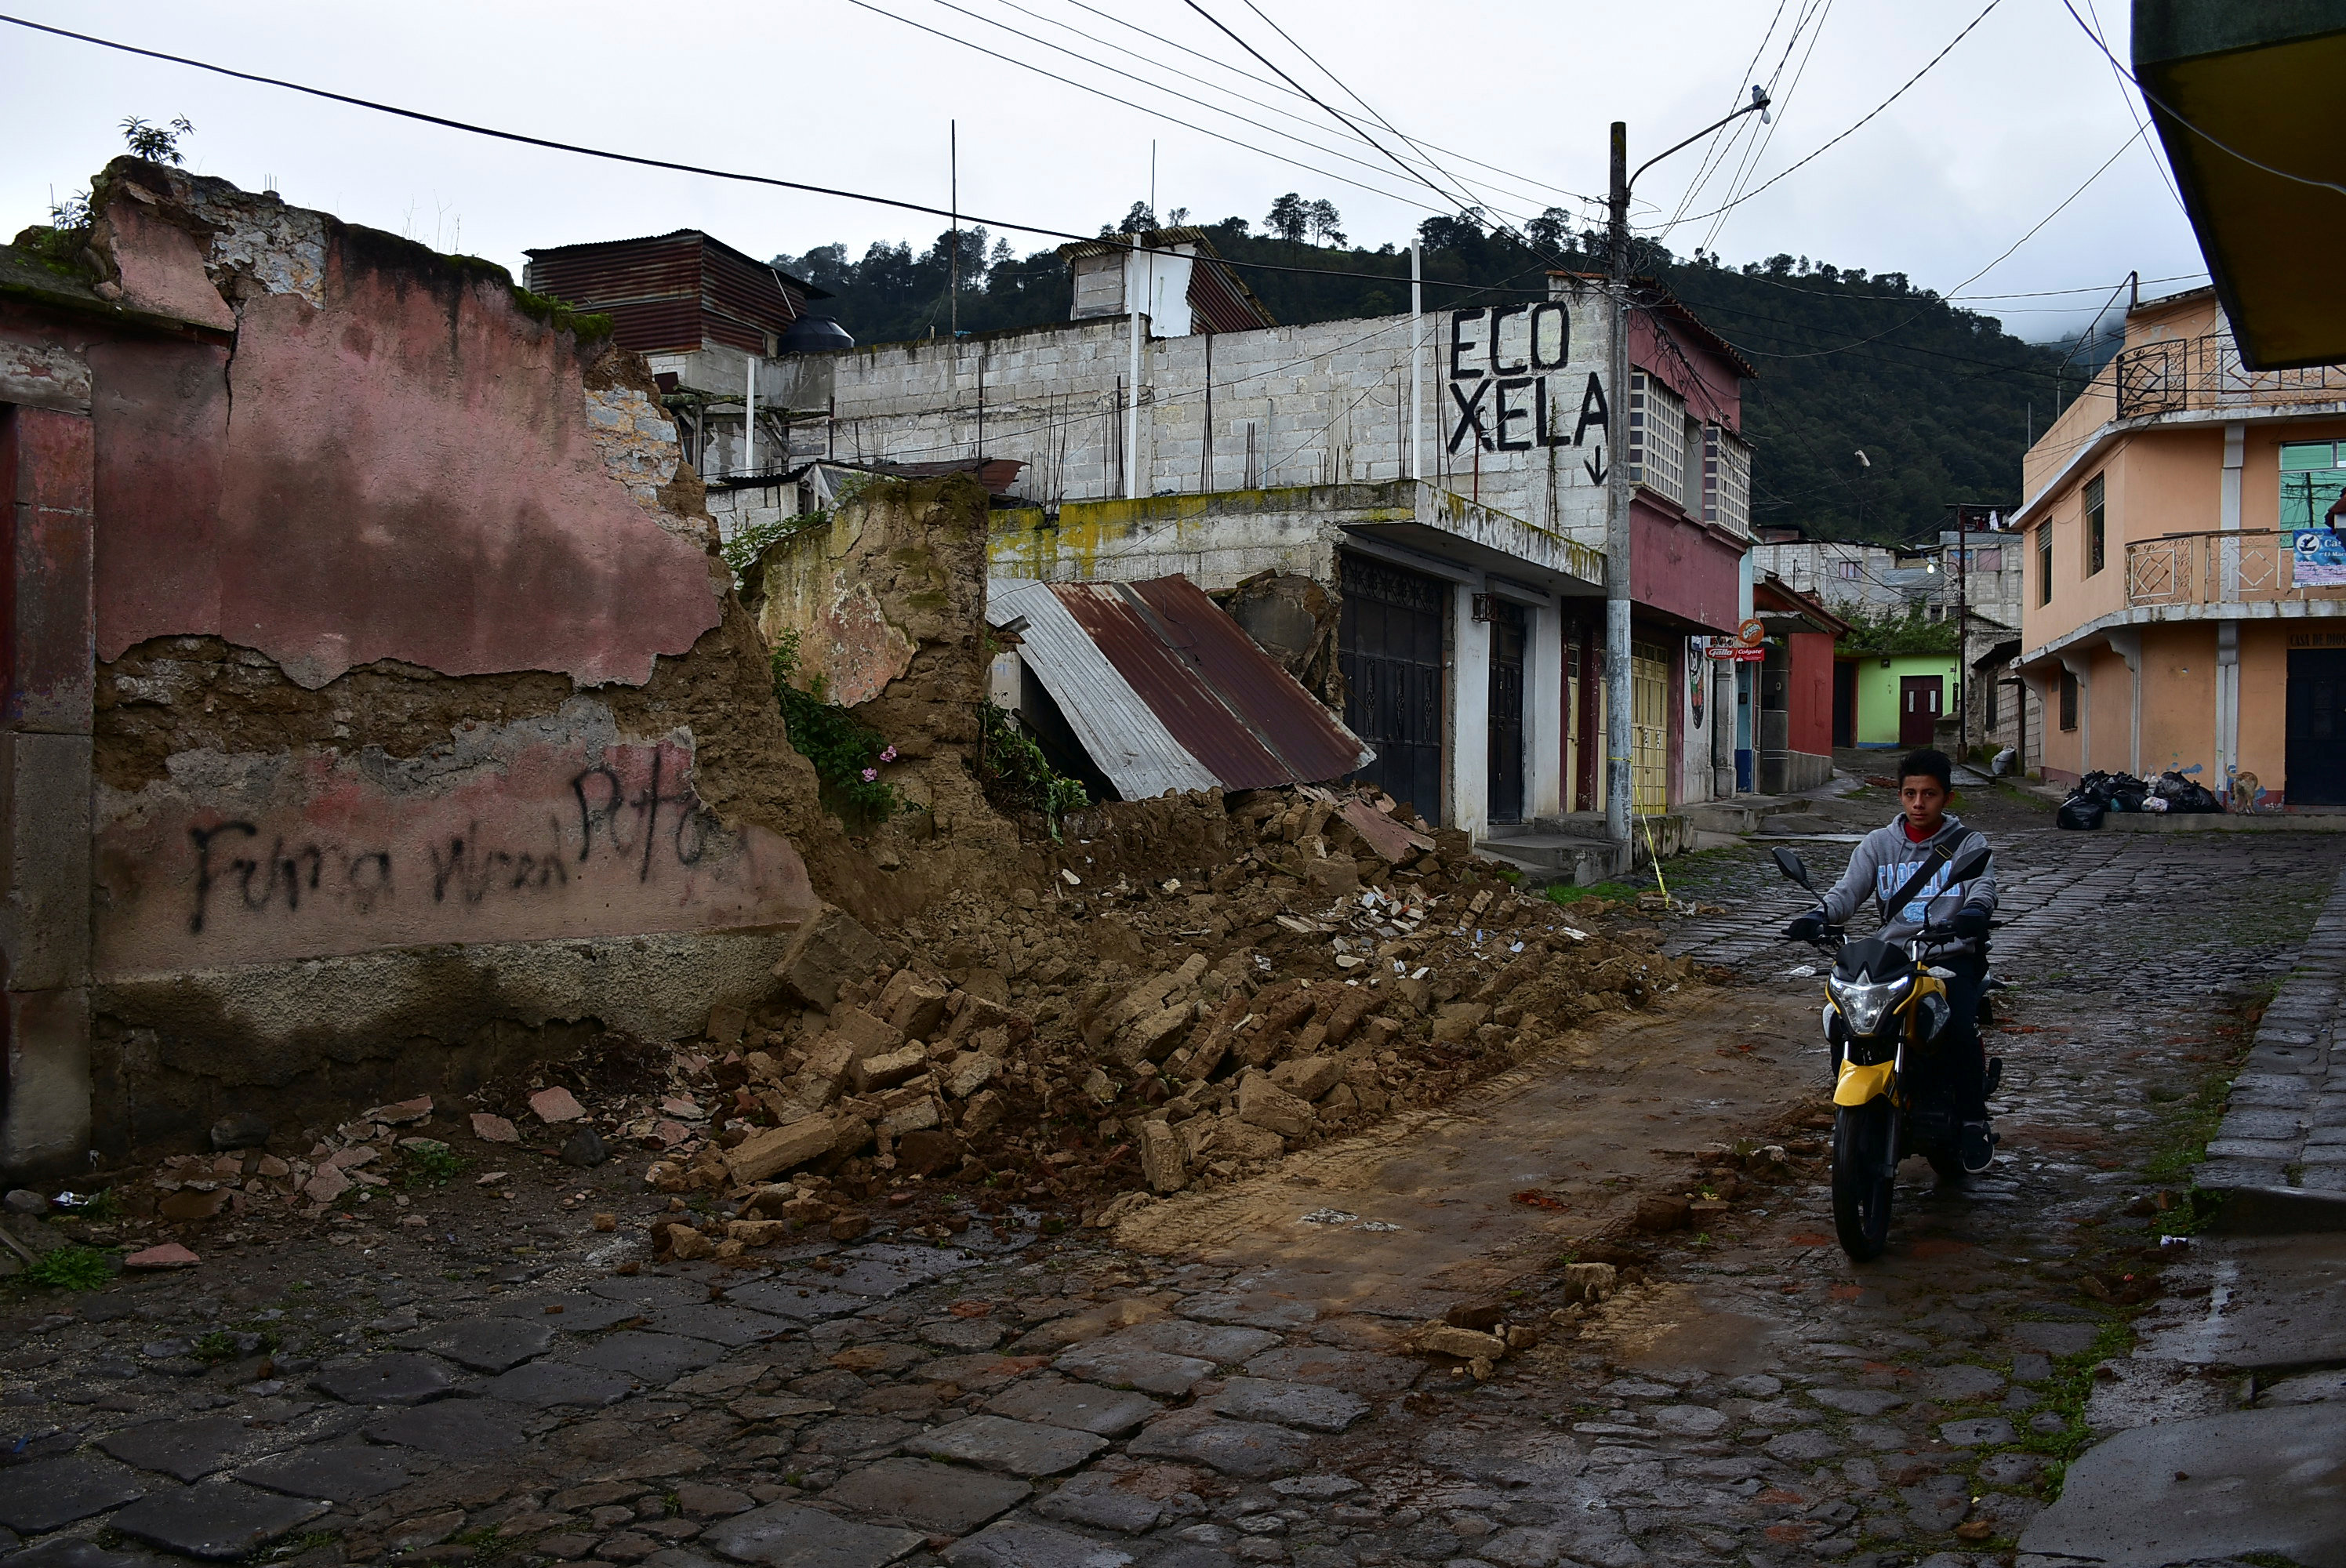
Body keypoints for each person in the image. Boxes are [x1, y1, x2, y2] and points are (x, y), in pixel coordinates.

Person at [1785, 748, 1999, 1173]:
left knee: (1956, 1025)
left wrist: (1975, 913)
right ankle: (1856, 1109)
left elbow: (1982, 887)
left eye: (1930, 795)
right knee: (1845, 1020)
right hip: (1895, 958)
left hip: (1948, 955)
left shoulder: (1969, 844)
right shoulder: (1878, 845)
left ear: (1948, 798)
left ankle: (1974, 1120)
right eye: (1910, 794)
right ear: (1899, 795)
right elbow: (1846, 892)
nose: (1919, 804)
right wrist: (1818, 914)